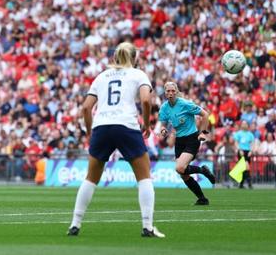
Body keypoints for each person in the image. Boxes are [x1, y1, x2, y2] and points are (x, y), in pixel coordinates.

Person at [67, 42, 165, 238]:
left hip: (102, 126)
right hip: (126, 125)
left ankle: (75, 224)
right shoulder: (138, 74)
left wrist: (89, 132)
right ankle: (147, 226)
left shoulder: (101, 76)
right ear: (134, 58)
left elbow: (86, 107)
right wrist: (145, 124)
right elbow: (146, 100)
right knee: (144, 176)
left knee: (91, 177)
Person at [158, 82, 215, 206]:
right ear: (165, 92)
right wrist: (163, 129)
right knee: (183, 174)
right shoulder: (164, 107)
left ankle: (202, 170)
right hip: (179, 140)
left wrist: (203, 133)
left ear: (177, 92)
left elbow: (205, 114)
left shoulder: (185, 104)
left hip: (192, 138)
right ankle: (202, 199)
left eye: (173, 91)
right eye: (168, 91)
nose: (170, 93)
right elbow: (163, 123)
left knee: (179, 167)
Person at [233, 120, 255, 189]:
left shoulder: (250, 134)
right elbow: (236, 143)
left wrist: (251, 151)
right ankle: (249, 183)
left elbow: (252, 143)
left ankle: (241, 184)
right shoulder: (238, 134)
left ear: (247, 125)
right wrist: (239, 150)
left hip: (248, 152)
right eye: (243, 123)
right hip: (241, 152)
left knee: (243, 168)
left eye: (245, 124)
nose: (244, 125)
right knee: (246, 166)